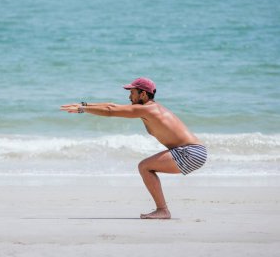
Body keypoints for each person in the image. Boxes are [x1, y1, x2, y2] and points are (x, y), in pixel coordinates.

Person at [60, 77, 207, 219]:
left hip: (190, 152)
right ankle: (162, 210)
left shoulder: (148, 110)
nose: (130, 96)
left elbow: (111, 110)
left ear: (142, 94)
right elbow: (112, 105)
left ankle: (162, 210)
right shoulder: (148, 108)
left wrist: (82, 109)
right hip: (194, 152)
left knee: (144, 167)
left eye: (132, 92)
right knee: (145, 167)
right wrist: (84, 104)